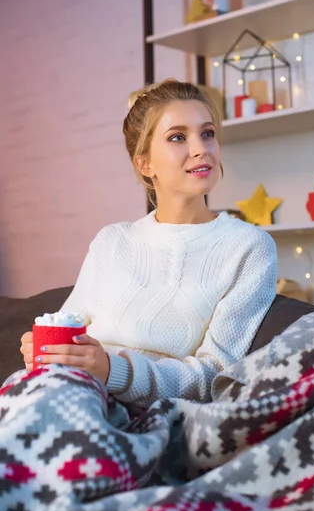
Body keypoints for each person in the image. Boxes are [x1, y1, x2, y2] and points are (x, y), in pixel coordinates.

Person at [20, 79, 277, 408]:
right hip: (61, 392)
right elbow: (67, 326)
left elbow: (216, 376)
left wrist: (113, 370)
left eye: (208, 133)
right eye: (178, 137)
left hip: (131, 414)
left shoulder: (248, 247)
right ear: (144, 163)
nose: (201, 148)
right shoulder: (112, 241)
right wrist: (42, 348)